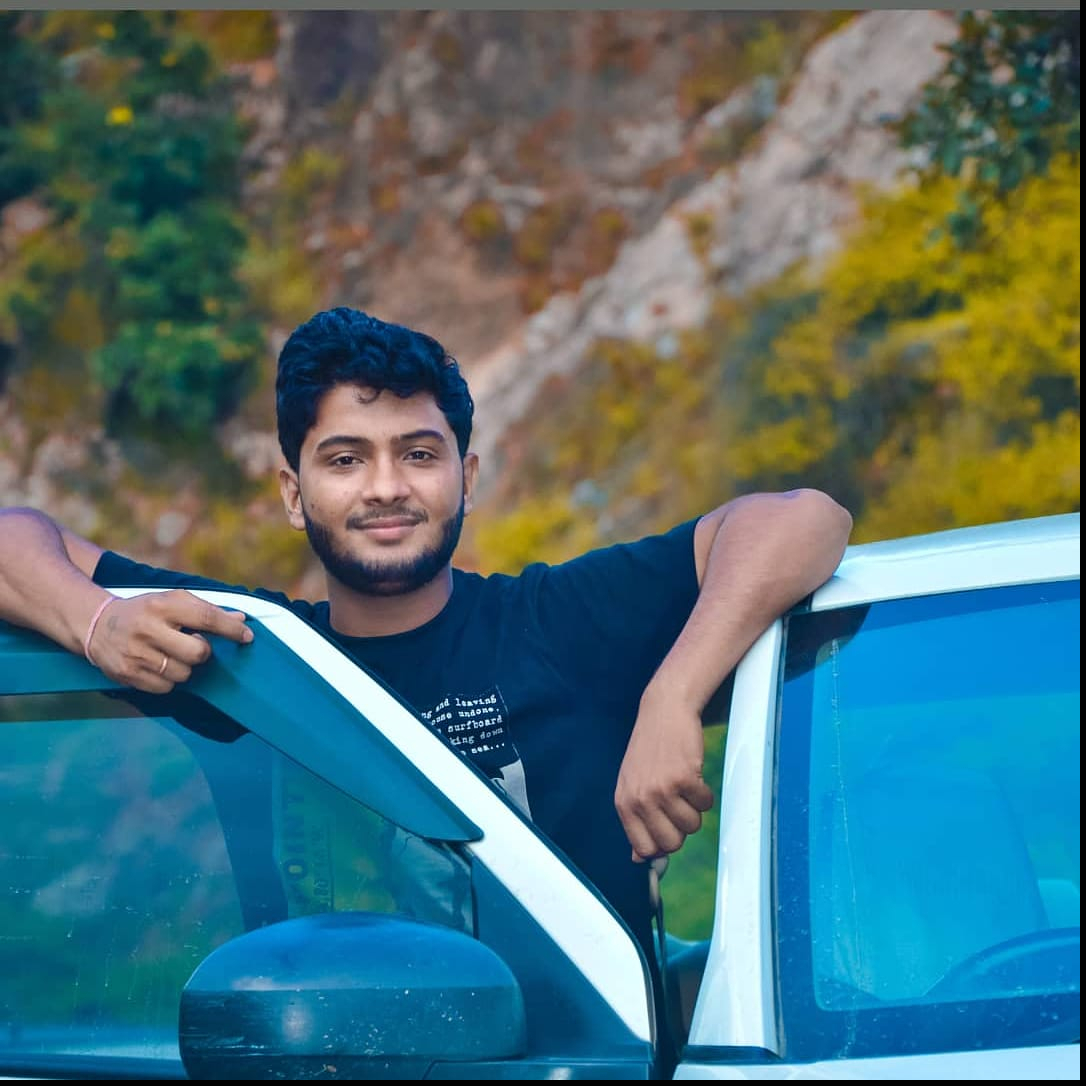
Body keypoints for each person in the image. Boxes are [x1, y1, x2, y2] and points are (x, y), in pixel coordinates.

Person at [0, 306, 852, 993]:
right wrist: (96, 622)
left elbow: (801, 520)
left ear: (466, 479)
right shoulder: (254, 657)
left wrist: (671, 696)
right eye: (345, 459)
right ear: (294, 495)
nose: (386, 487)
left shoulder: (555, 623)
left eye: (418, 454)